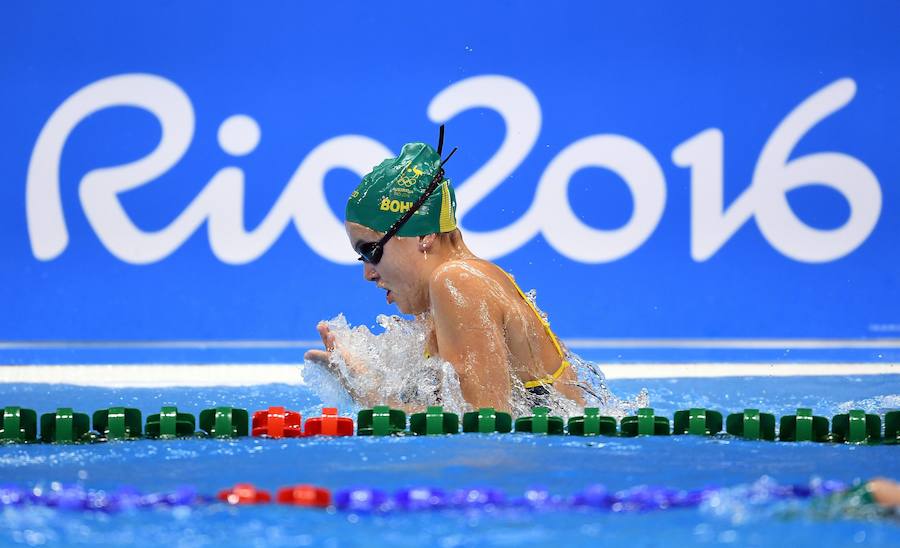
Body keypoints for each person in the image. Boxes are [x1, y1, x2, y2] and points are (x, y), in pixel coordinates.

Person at [304, 130, 584, 412]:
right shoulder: (453, 294)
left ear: (424, 234)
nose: (368, 273)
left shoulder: (457, 281)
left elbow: (483, 425)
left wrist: (369, 396)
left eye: (370, 251)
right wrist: (366, 380)